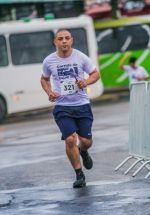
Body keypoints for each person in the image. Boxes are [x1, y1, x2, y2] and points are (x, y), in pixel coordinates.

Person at [40, 29, 100, 188]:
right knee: (70, 139)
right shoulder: (49, 61)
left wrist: (86, 82)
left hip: (82, 105)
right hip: (62, 106)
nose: (64, 41)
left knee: (86, 141)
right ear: (55, 42)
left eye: (67, 38)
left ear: (72, 40)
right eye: (60, 39)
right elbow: (44, 79)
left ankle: (84, 151)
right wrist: (49, 92)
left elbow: (95, 74)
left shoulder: (80, 57)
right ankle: (79, 175)